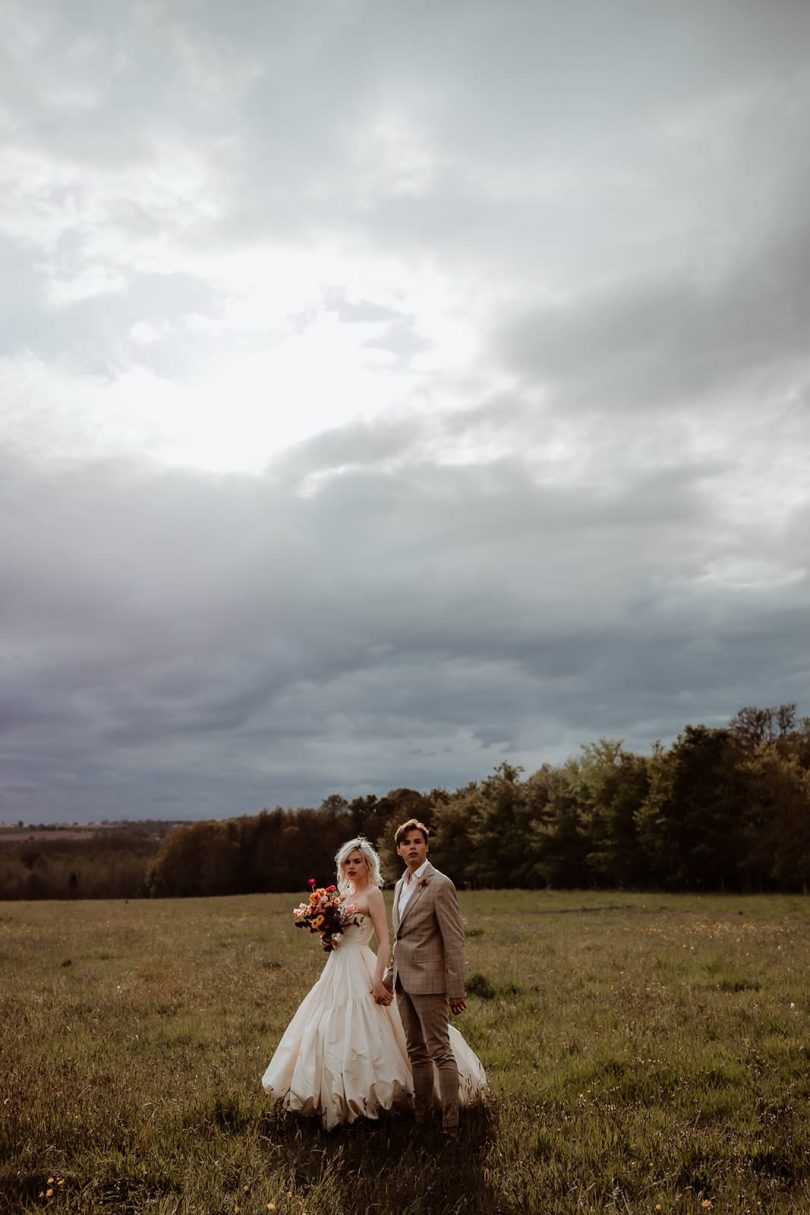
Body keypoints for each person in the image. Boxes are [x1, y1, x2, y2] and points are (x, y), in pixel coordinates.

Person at [261, 836, 486, 1130]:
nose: (352, 866)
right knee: (327, 1028)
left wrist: (379, 979)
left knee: (391, 1034)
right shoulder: (340, 896)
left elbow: (384, 942)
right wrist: (328, 935)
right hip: (337, 968)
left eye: (357, 861)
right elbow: (339, 935)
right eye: (347, 862)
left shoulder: (373, 895)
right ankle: (331, 1097)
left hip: (363, 966)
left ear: (368, 865)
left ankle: (409, 1107)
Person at [384, 817, 472, 1137]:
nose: (412, 847)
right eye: (406, 843)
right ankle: (422, 1117)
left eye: (417, 841)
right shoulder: (399, 885)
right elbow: (399, 938)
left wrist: (456, 988)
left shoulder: (440, 884)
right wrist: (389, 976)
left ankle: (451, 1124)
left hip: (431, 982)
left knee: (440, 1051)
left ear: (427, 846)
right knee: (416, 1051)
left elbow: (454, 940)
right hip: (403, 983)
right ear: (398, 850)